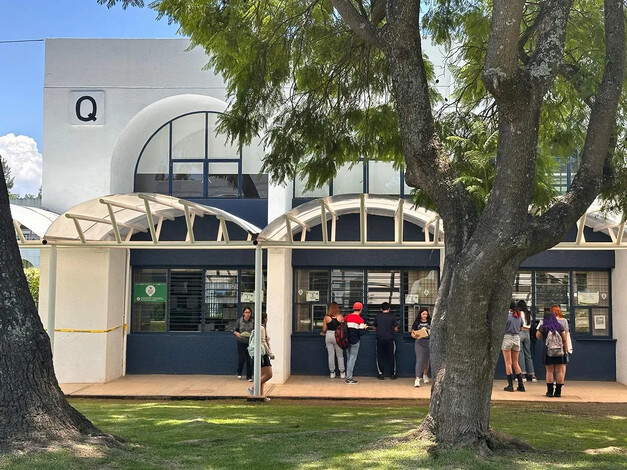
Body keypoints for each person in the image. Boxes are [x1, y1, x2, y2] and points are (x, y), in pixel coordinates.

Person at [536, 309, 568, 397]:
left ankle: (550, 392)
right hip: (559, 351)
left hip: (548, 351)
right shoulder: (560, 326)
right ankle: (558, 392)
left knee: (549, 371)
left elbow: (537, 336)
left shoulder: (543, 327)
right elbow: (564, 339)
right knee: (559, 371)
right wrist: (565, 350)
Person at [247, 313, 274, 401]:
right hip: (263, 354)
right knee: (268, 374)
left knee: (262, 375)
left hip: (262, 353)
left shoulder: (260, 328)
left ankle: (261, 395)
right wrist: (270, 354)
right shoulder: (261, 328)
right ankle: (253, 388)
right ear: (265, 318)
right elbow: (263, 342)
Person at [502, 301, 525, 392]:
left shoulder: (507, 316)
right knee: (516, 363)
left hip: (507, 337)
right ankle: (521, 385)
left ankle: (510, 385)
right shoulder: (518, 316)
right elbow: (521, 328)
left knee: (508, 363)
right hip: (516, 338)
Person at [374, 302, 399, 380]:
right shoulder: (392, 317)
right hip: (390, 339)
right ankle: (393, 374)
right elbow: (396, 328)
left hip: (380, 339)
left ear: (381, 309)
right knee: (391, 356)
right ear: (389, 309)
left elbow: (375, 327)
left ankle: (381, 374)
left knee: (380, 356)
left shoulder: (377, 317)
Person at [321, 302, 346, 379]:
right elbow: (344, 328)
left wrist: (323, 332)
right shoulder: (340, 316)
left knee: (331, 355)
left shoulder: (326, 317)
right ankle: (342, 372)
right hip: (338, 336)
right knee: (340, 355)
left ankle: (332, 372)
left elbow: (324, 329)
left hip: (329, 335)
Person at [344, 301, 367, 384]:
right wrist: (364, 328)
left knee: (348, 358)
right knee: (352, 359)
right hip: (355, 341)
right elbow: (361, 333)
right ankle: (349, 378)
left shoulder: (346, 317)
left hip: (346, 341)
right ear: (361, 309)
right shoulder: (360, 320)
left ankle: (348, 376)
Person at [517, 300, 537, 382]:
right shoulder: (528, 314)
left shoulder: (519, 314)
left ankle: (523, 374)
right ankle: (532, 374)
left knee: (520, 353)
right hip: (527, 333)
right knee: (528, 353)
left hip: (520, 332)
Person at [411, 307, 431, 387]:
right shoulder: (416, 323)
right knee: (419, 360)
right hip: (419, 342)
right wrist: (415, 336)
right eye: (423, 314)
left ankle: (425, 375)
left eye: (426, 314)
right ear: (420, 314)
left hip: (428, 341)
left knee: (427, 360)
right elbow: (412, 333)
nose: (425, 316)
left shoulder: (430, 322)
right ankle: (417, 378)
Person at [233, 307, 254, 381]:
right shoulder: (239, 321)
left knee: (249, 359)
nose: (247, 314)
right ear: (243, 313)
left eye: (249, 312)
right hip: (241, 342)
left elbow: (255, 331)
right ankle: (239, 371)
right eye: (246, 312)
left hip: (250, 342)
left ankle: (249, 376)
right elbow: (235, 330)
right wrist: (237, 334)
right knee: (242, 358)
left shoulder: (253, 321)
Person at [552, 305, 572, 377]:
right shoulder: (564, 321)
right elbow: (566, 334)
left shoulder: (549, 321)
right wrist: (565, 348)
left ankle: (553, 380)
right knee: (563, 363)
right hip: (562, 344)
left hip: (552, 345)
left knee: (552, 364)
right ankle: (561, 380)